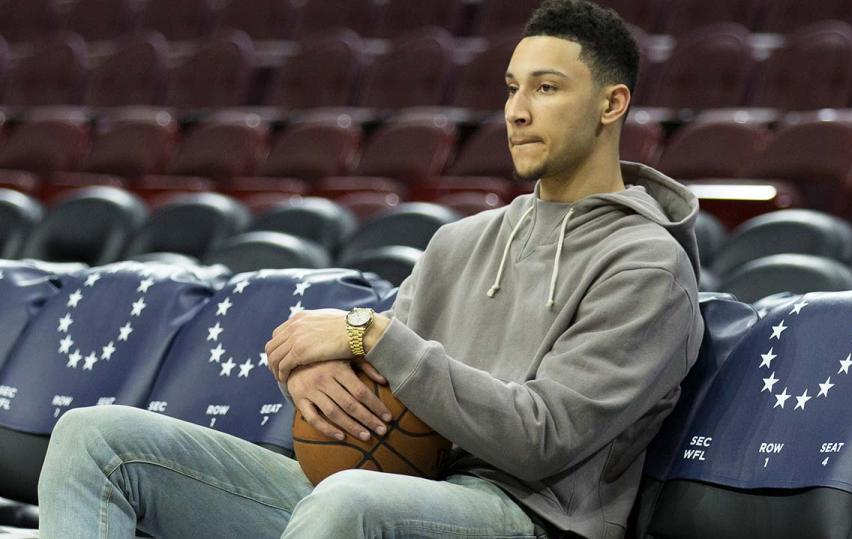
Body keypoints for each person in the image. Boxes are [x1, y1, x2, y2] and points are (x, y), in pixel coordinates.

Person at [37, 1, 704, 537]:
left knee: (350, 500)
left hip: (530, 515)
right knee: (94, 438)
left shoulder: (648, 266)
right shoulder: (460, 242)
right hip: (402, 486)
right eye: (511, 88)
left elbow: (544, 438)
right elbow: (381, 378)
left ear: (612, 104)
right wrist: (311, 370)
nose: (516, 110)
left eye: (547, 88)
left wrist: (373, 336)